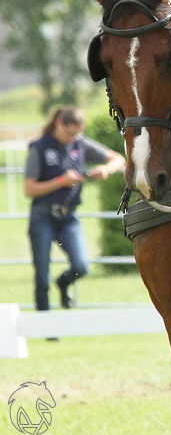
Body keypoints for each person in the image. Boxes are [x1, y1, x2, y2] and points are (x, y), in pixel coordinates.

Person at [24, 107, 124, 311]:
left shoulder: (80, 143)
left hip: (69, 217)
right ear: (59, 124)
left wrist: (105, 169)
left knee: (81, 266)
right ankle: (46, 326)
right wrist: (61, 181)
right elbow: (29, 189)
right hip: (42, 216)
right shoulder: (39, 148)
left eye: (77, 134)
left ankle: (63, 283)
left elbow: (118, 159)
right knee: (42, 275)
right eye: (70, 133)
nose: (73, 138)